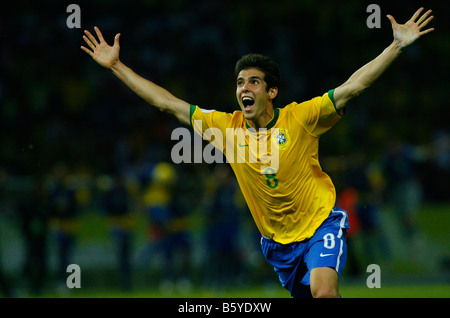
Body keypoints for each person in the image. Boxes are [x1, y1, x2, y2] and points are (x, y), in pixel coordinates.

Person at [81, 8, 434, 298]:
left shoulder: (302, 117)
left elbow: (352, 88)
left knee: (324, 294)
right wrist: (116, 66)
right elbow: (167, 104)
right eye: (239, 83)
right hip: (278, 245)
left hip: (320, 225)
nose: (243, 88)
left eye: (253, 81)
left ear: (272, 91)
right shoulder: (225, 128)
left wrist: (396, 47)